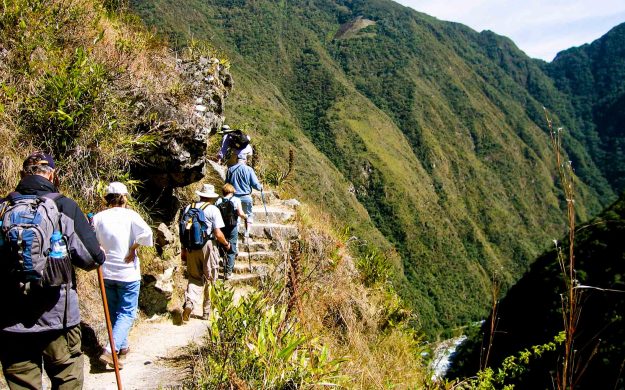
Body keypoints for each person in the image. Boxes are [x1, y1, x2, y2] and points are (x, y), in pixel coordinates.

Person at [0, 152, 106, 389]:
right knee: (66, 376)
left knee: (21, 382)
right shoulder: (64, 206)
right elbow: (91, 259)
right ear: (52, 174)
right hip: (58, 317)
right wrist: (99, 252)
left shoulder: (2, 208)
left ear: (21, 175)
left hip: (10, 319)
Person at [92, 182, 153, 368]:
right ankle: (110, 351)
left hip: (106, 272)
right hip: (127, 273)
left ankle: (122, 346)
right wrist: (133, 248)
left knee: (113, 312)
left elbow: (91, 241)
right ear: (124, 197)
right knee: (127, 312)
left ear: (108, 198)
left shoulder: (98, 217)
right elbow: (147, 233)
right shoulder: (130, 215)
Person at [181, 184, 231, 321]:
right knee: (210, 278)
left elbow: (184, 231)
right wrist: (226, 244)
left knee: (194, 277)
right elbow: (218, 233)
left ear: (200, 194)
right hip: (208, 246)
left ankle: (189, 303)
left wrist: (183, 249)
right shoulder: (213, 209)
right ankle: (206, 313)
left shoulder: (188, 208)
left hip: (191, 247)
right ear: (211, 197)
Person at [225, 151, 262, 241]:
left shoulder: (230, 169)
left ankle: (235, 237)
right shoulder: (249, 169)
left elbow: (227, 184)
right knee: (248, 215)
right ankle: (246, 234)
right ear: (245, 160)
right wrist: (260, 187)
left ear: (237, 160)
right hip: (246, 197)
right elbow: (255, 184)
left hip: (233, 198)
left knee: (235, 217)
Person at [215, 183, 247, 280]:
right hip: (232, 227)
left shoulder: (218, 201)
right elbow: (240, 213)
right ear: (232, 191)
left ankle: (222, 266)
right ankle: (228, 272)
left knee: (223, 245)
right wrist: (246, 217)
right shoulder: (236, 200)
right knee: (232, 248)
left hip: (221, 227)